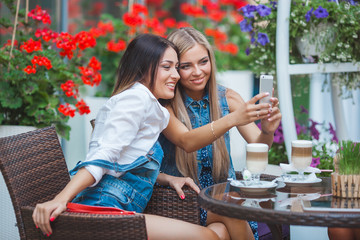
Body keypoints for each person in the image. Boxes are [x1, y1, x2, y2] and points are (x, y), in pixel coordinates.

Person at [32, 33, 226, 240]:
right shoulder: (134, 99)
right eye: (167, 67)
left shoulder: (154, 109)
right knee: (209, 237)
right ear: (143, 68)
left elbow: (125, 163)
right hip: (103, 208)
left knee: (220, 231)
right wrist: (61, 199)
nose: (176, 75)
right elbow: (103, 157)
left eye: (176, 67)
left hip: (122, 208)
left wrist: (168, 178)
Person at [157, 27, 282, 240]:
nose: (197, 72)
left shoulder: (228, 97)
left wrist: (268, 131)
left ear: (211, 62)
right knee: (228, 209)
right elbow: (187, 141)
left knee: (220, 231)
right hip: (182, 204)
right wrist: (232, 118)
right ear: (175, 69)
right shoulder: (165, 105)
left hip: (224, 200)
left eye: (203, 62)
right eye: (187, 66)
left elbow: (258, 145)